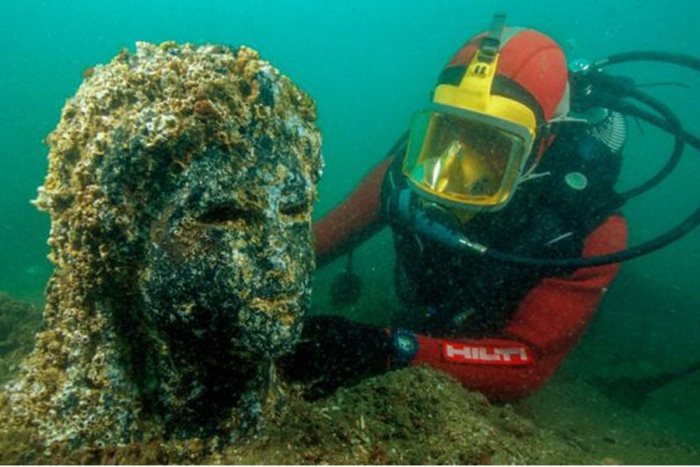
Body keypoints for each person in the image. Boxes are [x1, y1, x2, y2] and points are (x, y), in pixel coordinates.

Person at [283, 15, 630, 402]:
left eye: (491, 143)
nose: (450, 167)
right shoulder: (404, 174)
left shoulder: (587, 228)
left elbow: (527, 364)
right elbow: (308, 250)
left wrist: (389, 349)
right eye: (446, 132)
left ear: (541, 145)